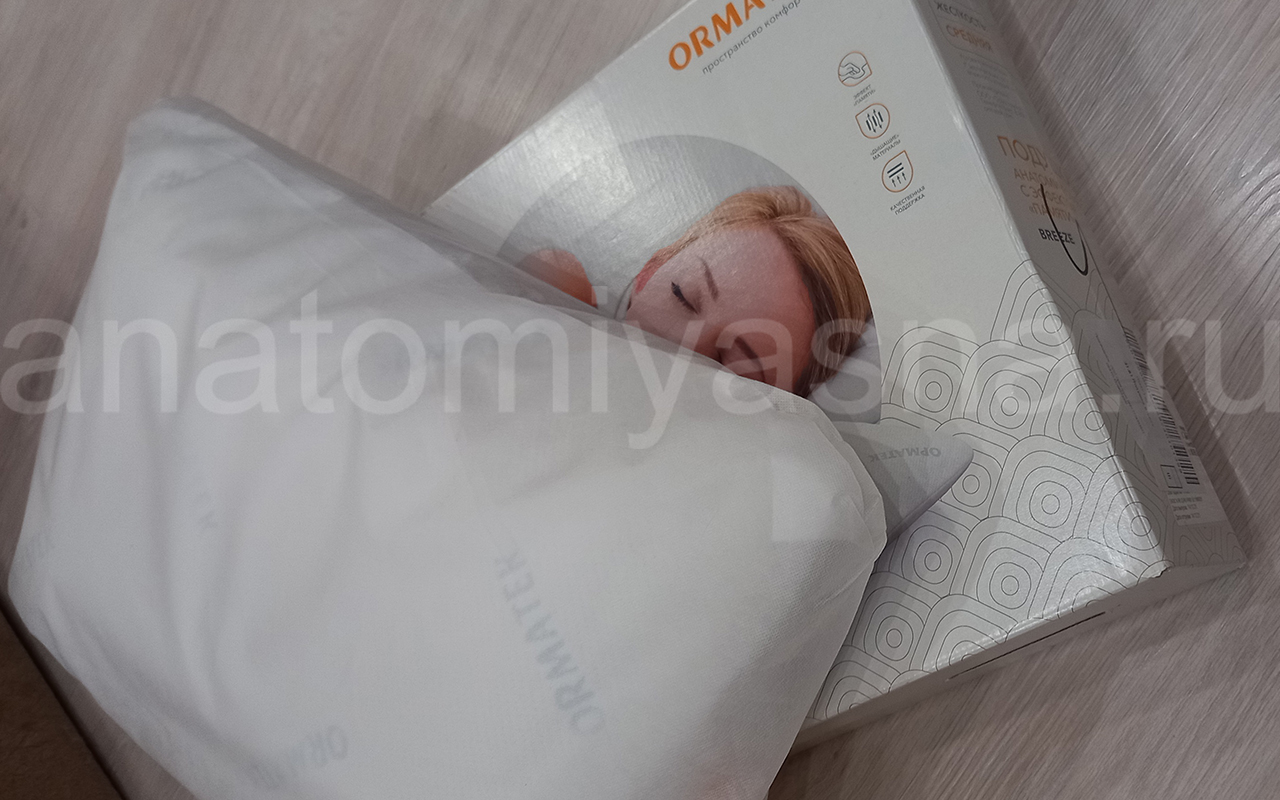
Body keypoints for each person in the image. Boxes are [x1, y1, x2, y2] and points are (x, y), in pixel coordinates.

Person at [520, 186, 871, 396]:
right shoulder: (557, 301)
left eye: (737, 367)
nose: (681, 349)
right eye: (682, 296)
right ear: (650, 271)